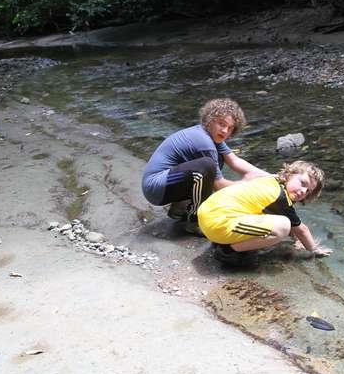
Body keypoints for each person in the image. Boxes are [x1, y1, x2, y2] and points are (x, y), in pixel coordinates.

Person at [142, 98, 269, 230]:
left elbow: (235, 161)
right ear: (209, 120)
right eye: (221, 124)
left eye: (230, 128)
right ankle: (194, 221)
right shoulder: (203, 142)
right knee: (206, 166)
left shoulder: (212, 136)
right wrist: (247, 182)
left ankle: (180, 208)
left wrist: (272, 177)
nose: (225, 131)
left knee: (215, 161)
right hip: (154, 188)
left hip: (165, 183)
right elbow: (220, 185)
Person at [197, 160, 332, 266]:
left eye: (308, 191)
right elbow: (302, 229)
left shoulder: (271, 181)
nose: (303, 191)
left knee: (278, 220)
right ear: (289, 176)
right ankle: (228, 251)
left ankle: (225, 241)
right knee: (283, 226)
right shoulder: (280, 198)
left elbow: (293, 224)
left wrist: (296, 238)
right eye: (302, 183)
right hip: (216, 224)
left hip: (208, 212)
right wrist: (314, 250)